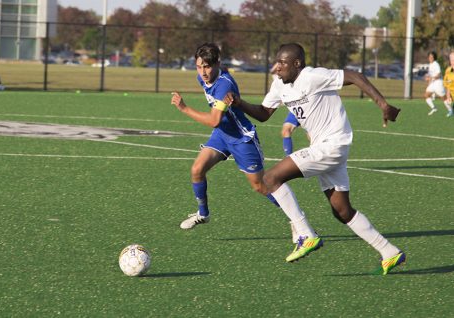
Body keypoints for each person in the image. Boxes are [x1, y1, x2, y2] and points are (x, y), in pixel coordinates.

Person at [224, 42, 405, 275]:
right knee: (341, 210)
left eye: (282, 63)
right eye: (276, 62)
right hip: (326, 148)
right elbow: (264, 113)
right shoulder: (279, 84)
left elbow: (355, 75)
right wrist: (240, 103)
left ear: (297, 64)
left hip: (333, 144)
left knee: (268, 179)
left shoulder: (312, 76)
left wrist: (382, 104)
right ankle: (389, 251)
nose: (276, 67)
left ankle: (306, 234)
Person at [171, 42, 303, 239]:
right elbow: (219, 122)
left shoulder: (224, 85)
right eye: (199, 66)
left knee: (260, 186)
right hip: (222, 135)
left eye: (207, 66)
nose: (203, 72)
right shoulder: (204, 77)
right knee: (197, 170)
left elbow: (214, 120)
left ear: (217, 64)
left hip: (242, 139)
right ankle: (203, 214)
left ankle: (296, 221)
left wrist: (184, 108)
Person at [424, 51, 453, 116]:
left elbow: (439, 74)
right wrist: (427, 78)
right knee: (426, 95)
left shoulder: (435, 64)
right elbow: (430, 75)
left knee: (444, 98)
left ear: (434, 58)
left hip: (438, 83)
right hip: (433, 83)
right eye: (429, 57)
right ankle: (434, 108)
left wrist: (431, 78)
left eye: (432, 57)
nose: (430, 58)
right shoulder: (430, 65)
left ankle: (450, 110)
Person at [443, 51, 454, 117]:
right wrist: (448, 96)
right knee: (446, 101)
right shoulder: (448, 70)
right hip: (452, 93)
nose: (453, 62)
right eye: (452, 60)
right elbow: (447, 85)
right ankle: (451, 111)